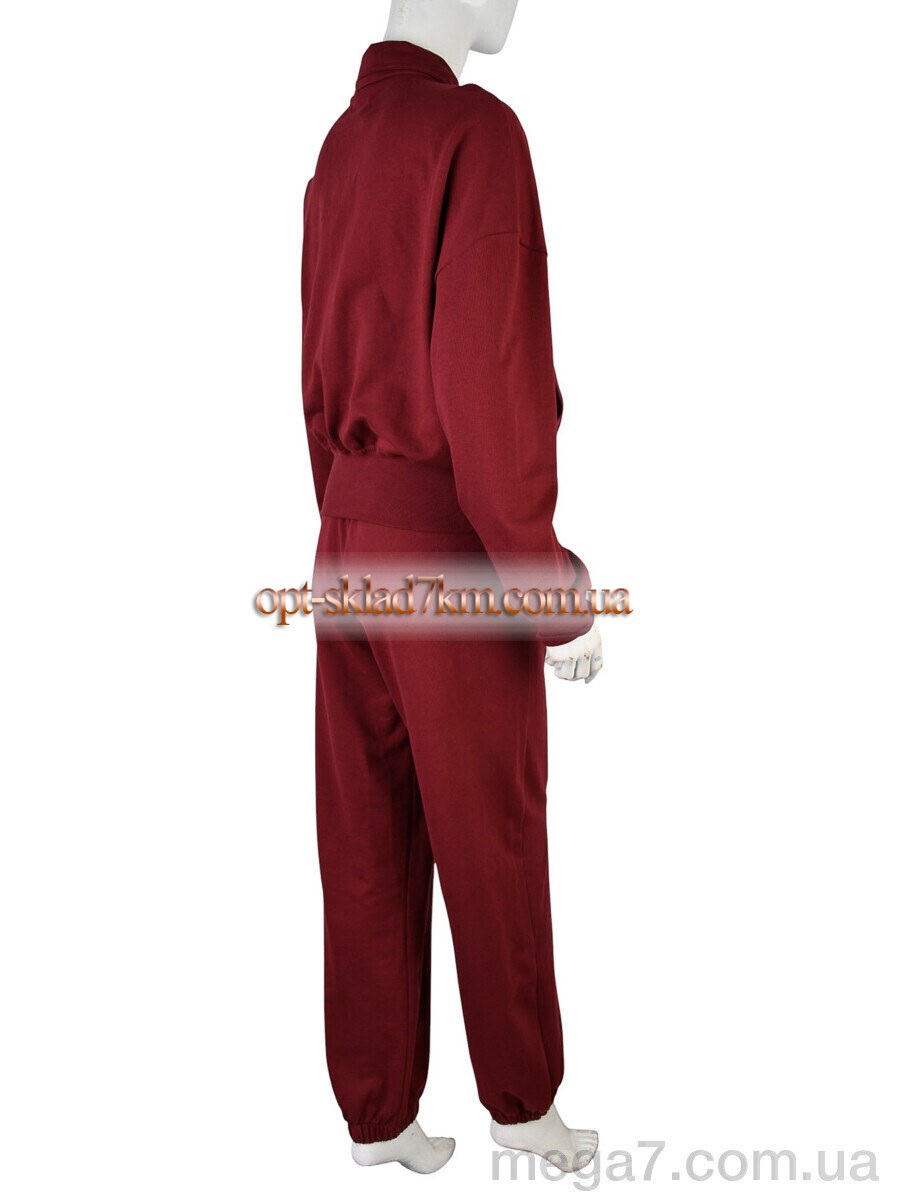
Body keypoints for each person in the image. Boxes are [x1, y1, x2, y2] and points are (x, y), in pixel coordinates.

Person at [301, 0, 602, 1173]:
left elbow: (315, 373)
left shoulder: (340, 146)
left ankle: (378, 1116)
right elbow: (490, 381)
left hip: (346, 537)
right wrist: (550, 590)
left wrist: (347, 518)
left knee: (365, 831)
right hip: (449, 545)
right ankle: (522, 1105)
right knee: (491, 829)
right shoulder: (476, 132)